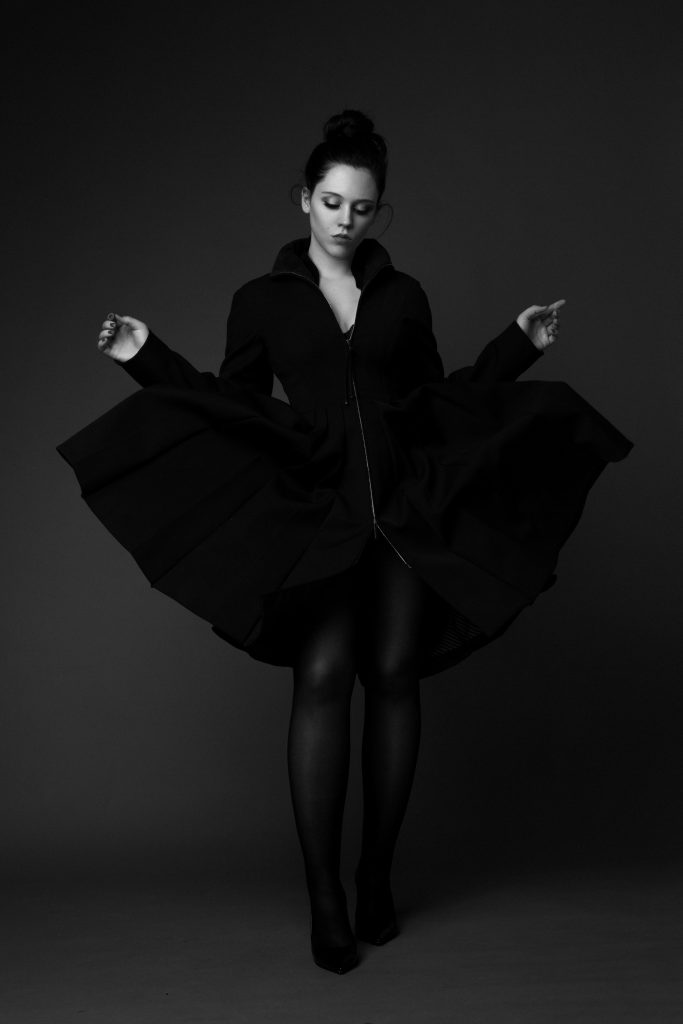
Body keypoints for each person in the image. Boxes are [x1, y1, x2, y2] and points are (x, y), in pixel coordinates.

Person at [56, 109, 634, 975]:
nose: (344, 220)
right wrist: (146, 358)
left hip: (401, 509)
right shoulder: (261, 301)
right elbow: (234, 403)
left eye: (362, 208)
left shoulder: (404, 297)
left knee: (393, 676)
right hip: (318, 512)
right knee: (323, 677)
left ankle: (374, 879)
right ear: (304, 199)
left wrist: (516, 347)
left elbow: (438, 403)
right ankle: (324, 896)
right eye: (331, 202)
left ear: (378, 212)